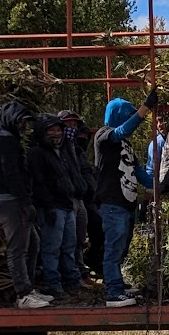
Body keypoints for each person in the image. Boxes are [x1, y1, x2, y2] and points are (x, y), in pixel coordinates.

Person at [93, 89, 158, 307]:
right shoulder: (104, 135)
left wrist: (158, 185)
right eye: (127, 114)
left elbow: (138, 170)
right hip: (112, 204)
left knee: (122, 246)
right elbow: (121, 131)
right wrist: (144, 109)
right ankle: (112, 292)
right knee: (113, 247)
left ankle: (118, 284)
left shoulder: (125, 145)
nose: (131, 117)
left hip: (127, 204)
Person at [0, 101, 48, 308]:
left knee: (33, 243)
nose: (24, 126)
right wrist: (25, 201)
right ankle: (22, 293)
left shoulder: (8, 138)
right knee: (18, 247)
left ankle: (29, 287)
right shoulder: (5, 140)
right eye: (22, 122)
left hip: (16, 198)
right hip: (10, 199)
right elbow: (11, 173)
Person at [28, 113, 85, 298]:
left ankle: (73, 283)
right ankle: (54, 285)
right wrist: (47, 206)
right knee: (51, 248)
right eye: (51, 129)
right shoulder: (37, 153)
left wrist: (79, 190)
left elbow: (73, 174)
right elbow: (38, 182)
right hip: (52, 206)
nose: (56, 133)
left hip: (67, 204)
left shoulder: (64, 150)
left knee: (70, 245)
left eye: (58, 129)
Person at [58, 110, 96, 280]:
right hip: (66, 199)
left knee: (80, 237)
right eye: (68, 124)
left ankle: (80, 271)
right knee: (68, 240)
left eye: (75, 124)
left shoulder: (76, 148)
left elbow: (84, 171)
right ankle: (70, 277)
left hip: (80, 197)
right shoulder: (57, 148)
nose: (72, 127)